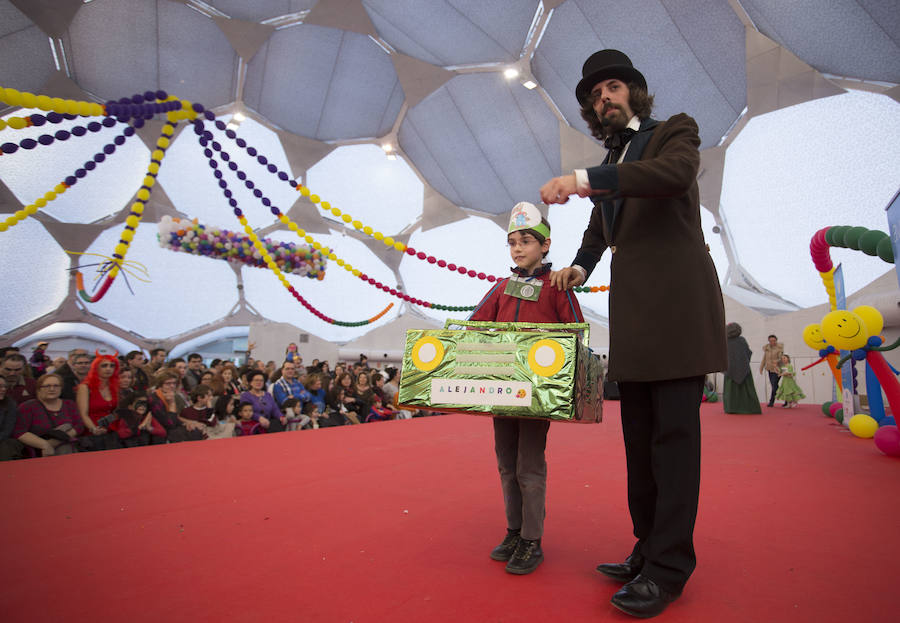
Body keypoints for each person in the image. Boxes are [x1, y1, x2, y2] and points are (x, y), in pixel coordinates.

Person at [539, 50, 727, 617]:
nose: (604, 100)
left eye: (612, 88)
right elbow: (603, 223)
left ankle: (669, 569)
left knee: (673, 445)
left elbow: (673, 177)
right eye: (595, 97)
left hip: (675, 306)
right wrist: (580, 267)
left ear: (635, 93)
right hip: (634, 316)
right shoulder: (615, 160)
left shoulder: (674, 132)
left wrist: (582, 178)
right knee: (639, 445)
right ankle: (647, 549)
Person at [468, 201, 584, 576]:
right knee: (505, 464)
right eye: (513, 242)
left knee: (528, 467)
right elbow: (474, 328)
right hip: (501, 391)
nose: (518, 248)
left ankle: (532, 540)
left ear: (545, 246)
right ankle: (514, 532)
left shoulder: (557, 286)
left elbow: (577, 333)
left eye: (526, 242)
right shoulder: (501, 288)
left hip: (537, 395)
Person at [14, 373, 84, 457]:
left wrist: (56, 442)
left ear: (61, 388)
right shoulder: (27, 407)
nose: (52, 389)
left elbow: (79, 426)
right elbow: (19, 432)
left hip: (68, 449)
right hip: (38, 451)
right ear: (39, 389)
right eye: (47, 386)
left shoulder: (69, 404)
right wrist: (44, 445)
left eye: (56, 386)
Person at [76, 353, 121, 451]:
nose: (108, 369)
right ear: (96, 368)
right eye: (104, 365)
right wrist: (93, 429)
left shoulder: (115, 387)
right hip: (91, 435)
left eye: (112, 366)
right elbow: (83, 414)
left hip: (112, 432)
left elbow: (116, 411)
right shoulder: (85, 387)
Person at [723, 323, 761, 414]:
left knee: (731, 390)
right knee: (746, 390)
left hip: (730, 369)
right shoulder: (742, 340)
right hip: (744, 368)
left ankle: (732, 408)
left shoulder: (724, 341)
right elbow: (748, 352)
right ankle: (749, 407)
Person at [0, 377, 26, 460]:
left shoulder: (10, 404)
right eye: (0, 386)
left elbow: (7, 430)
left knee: (8, 445)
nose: (3, 389)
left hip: (2, 439)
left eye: (5, 386)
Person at [759, 335, 785, 408]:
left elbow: (781, 358)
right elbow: (764, 359)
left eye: (774, 340)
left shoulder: (779, 348)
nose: (772, 342)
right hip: (770, 369)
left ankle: (771, 401)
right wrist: (761, 368)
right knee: (775, 386)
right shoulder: (767, 349)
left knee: (774, 385)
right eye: (771, 341)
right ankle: (786, 399)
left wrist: (776, 361)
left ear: (776, 340)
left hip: (777, 369)